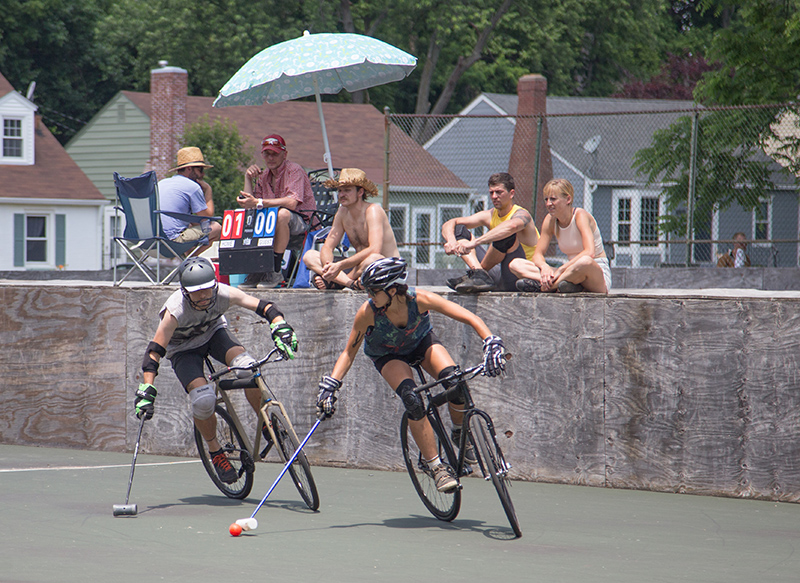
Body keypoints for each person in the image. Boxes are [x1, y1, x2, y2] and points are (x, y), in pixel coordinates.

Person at [314, 257, 507, 493]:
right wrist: (332, 385)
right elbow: (348, 353)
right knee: (413, 400)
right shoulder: (368, 313)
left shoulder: (420, 299)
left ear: (392, 290)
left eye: (374, 291)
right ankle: (436, 466)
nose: (369, 295)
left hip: (420, 344)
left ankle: (459, 432)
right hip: (387, 355)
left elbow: (469, 317)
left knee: (455, 380)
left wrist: (491, 341)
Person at [134, 256, 298, 484]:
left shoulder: (222, 293)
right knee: (202, 400)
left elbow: (266, 307)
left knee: (248, 369)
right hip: (183, 350)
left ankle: (268, 424)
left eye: (207, 289)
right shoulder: (174, 311)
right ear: (184, 291)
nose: (203, 296)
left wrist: (280, 326)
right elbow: (153, 353)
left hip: (214, 335)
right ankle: (215, 451)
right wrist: (147, 387)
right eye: (196, 292)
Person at [237, 134, 317, 288]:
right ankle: (257, 270)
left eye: (275, 153)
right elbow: (250, 205)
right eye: (267, 154)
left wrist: (259, 202)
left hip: (304, 223)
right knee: (249, 217)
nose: (271, 158)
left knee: (283, 214)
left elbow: (291, 203)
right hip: (272, 222)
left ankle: (274, 270)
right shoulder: (263, 175)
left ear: (284, 154)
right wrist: (247, 178)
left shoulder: (294, 170)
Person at [441, 172, 540, 293]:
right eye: (491, 192)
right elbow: (451, 223)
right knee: (458, 229)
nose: (494, 196)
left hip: (520, 276)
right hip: (496, 274)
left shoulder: (522, 214)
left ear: (511, 194)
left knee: (505, 234)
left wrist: (475, 243)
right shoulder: (490, 214)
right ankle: (478, 274)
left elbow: (512, 226)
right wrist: (451, 241)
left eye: (499, 192)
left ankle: (479, 274)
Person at [302, 168, 400, 290]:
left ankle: (337, 282)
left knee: (373, 258)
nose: (342, 194)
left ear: (360, 192)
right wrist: (329, 267)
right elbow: (328, 246)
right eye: (340, 190)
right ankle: (349, 283)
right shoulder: (342, 212)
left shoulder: (373, 210)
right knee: (309, 256)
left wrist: (339, 266)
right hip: (358, 270)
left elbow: (375, 249)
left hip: (385, 268)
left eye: (347, 190)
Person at [510, 178, 611, 293]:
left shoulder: (580, 216)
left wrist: (562, 269)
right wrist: (544, 267)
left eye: (553, 199)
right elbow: (537, 254)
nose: (548, 204)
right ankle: (565, 284)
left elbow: (589, 252)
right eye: (546, 199)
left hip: (593, 273)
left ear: (568, 199)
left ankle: (545, 286)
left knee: (585, 262)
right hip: (567, 273)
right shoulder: (550, 220)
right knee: (515, 264)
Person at [158, 147, 222, 257]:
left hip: (152, 242)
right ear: (189, 169)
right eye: (200, 170)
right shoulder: (192, 186)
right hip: (172, 242)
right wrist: (208, 191)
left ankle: (188, 262)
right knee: (216, 227)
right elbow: (206, 218)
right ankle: (189, 261)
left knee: (190, 225)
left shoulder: (161, 183)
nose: (203, 175)